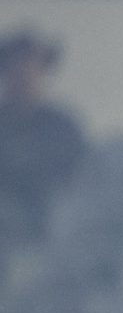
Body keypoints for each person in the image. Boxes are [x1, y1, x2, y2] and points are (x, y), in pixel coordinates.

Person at [0, 27, 85, 244]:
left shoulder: (63, 126)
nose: (24, 73)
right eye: (16, 65)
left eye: (32, 66)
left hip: (52, 228)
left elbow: (80, 178)